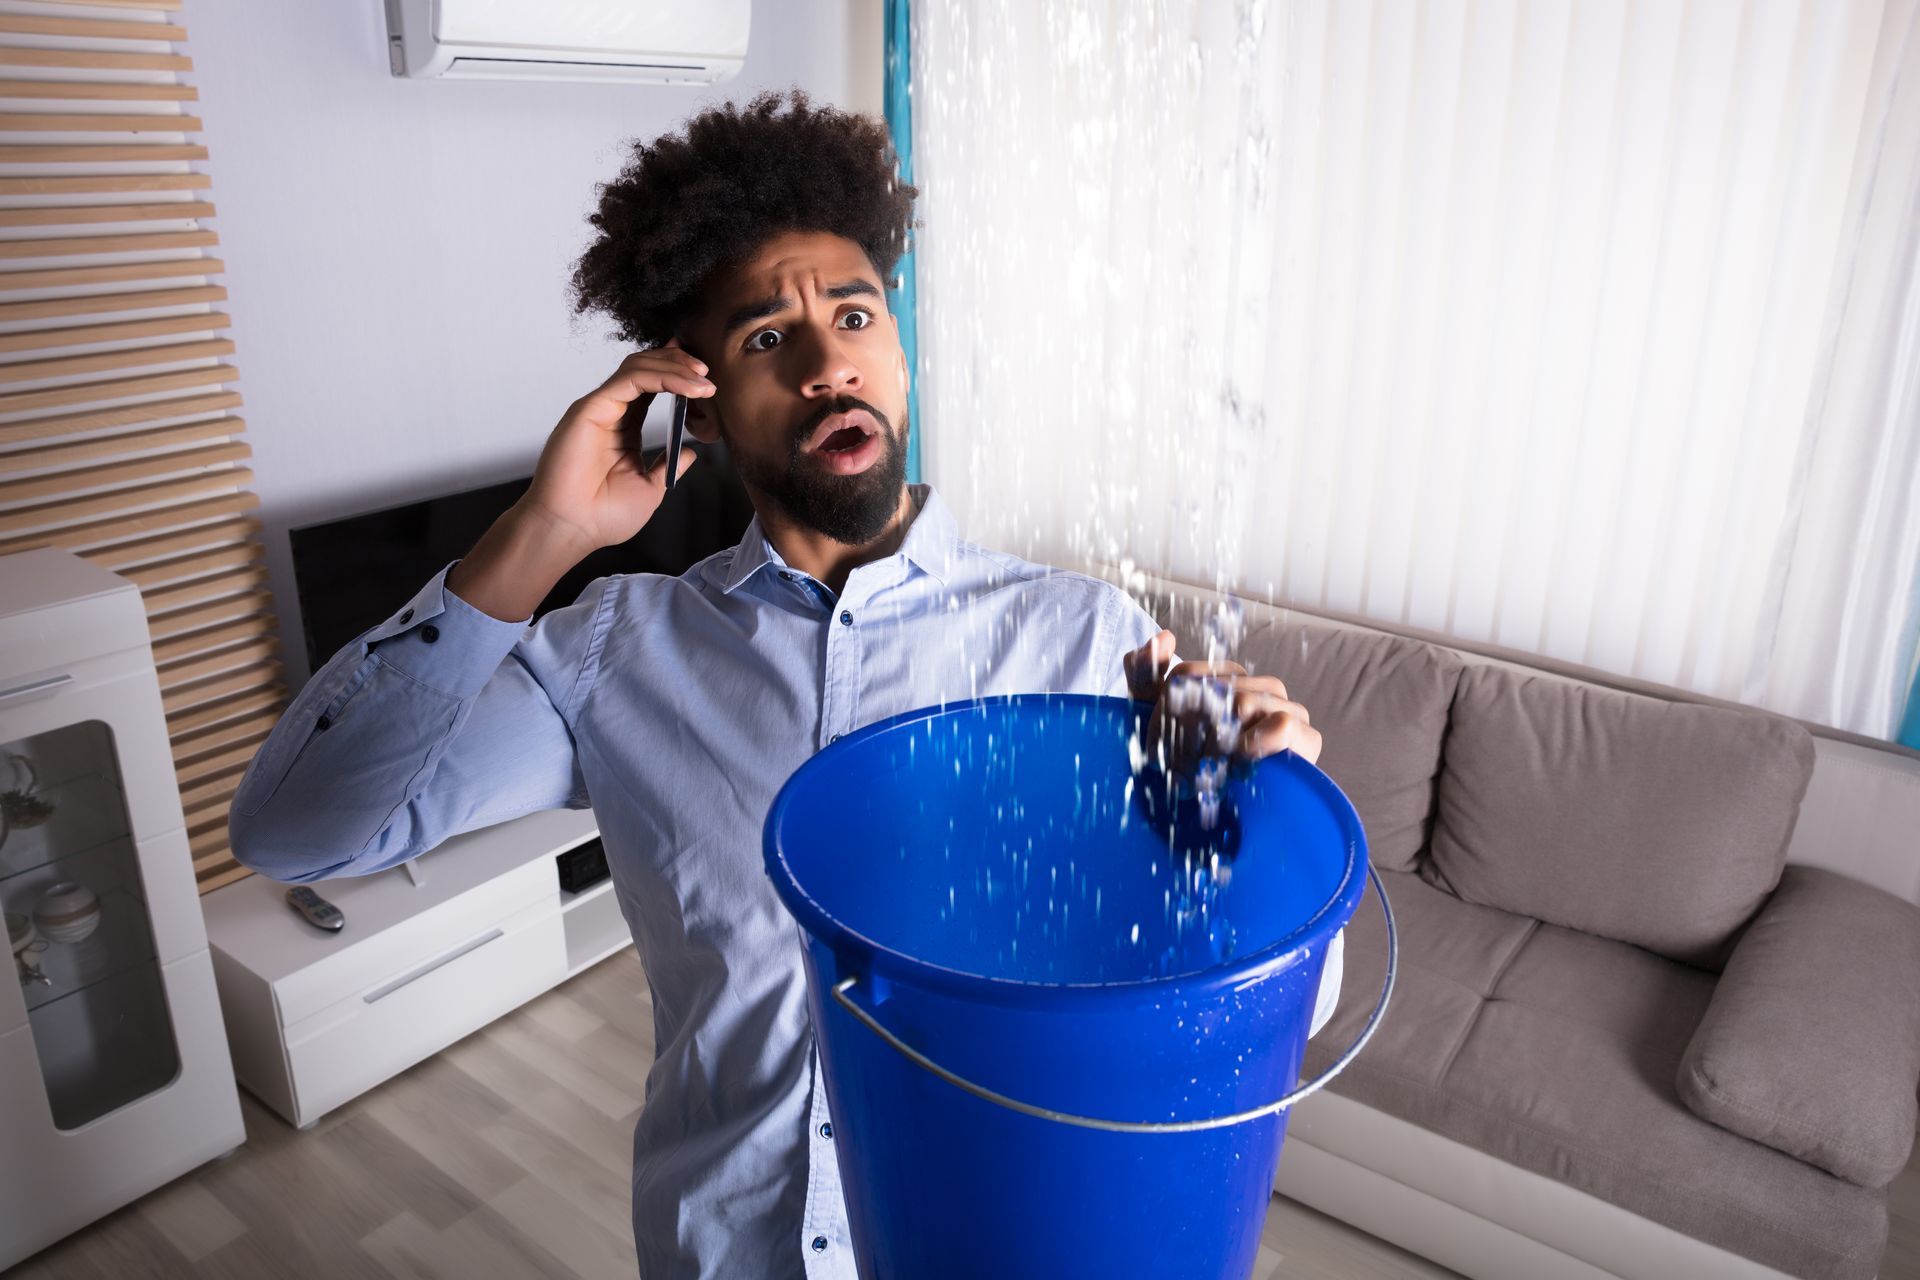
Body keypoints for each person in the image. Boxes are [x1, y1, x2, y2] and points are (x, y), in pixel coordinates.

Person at [229, 89, 1333, 1280]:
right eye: (765, 339)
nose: (824, 363)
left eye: (854, 316)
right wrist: (542, 531)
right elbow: (296, 832)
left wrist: (1247, 826)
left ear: (899, 352)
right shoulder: (616, 655)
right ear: (691, 397)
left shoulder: (1081, 639)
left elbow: (1273, 1022)